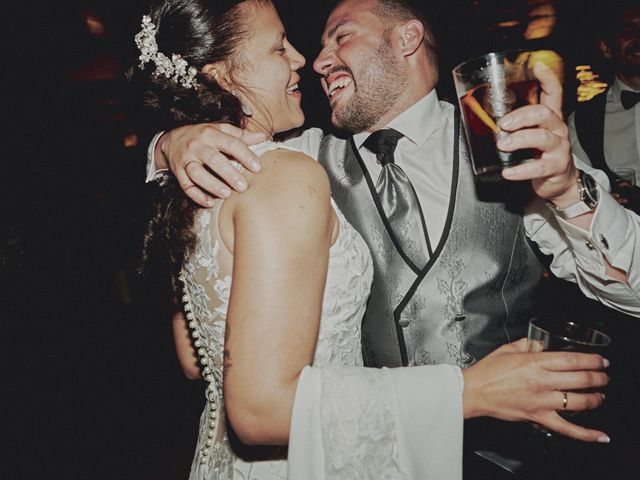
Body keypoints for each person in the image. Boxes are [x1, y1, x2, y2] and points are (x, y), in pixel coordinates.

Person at [137, 0, 623, 478]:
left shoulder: (507, 142)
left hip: (509, 453)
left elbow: (631, 293)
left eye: (341, 36)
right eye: (301, 46)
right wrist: (169, 143)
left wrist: (566, 191)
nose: (317, 60)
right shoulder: (297, 156)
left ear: (407, 38)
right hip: (366, 449)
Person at [569, 0, 640, 213]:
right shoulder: (583, 122)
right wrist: (599, 205)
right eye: (628, 30)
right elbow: (578, 197)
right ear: (606, 49)